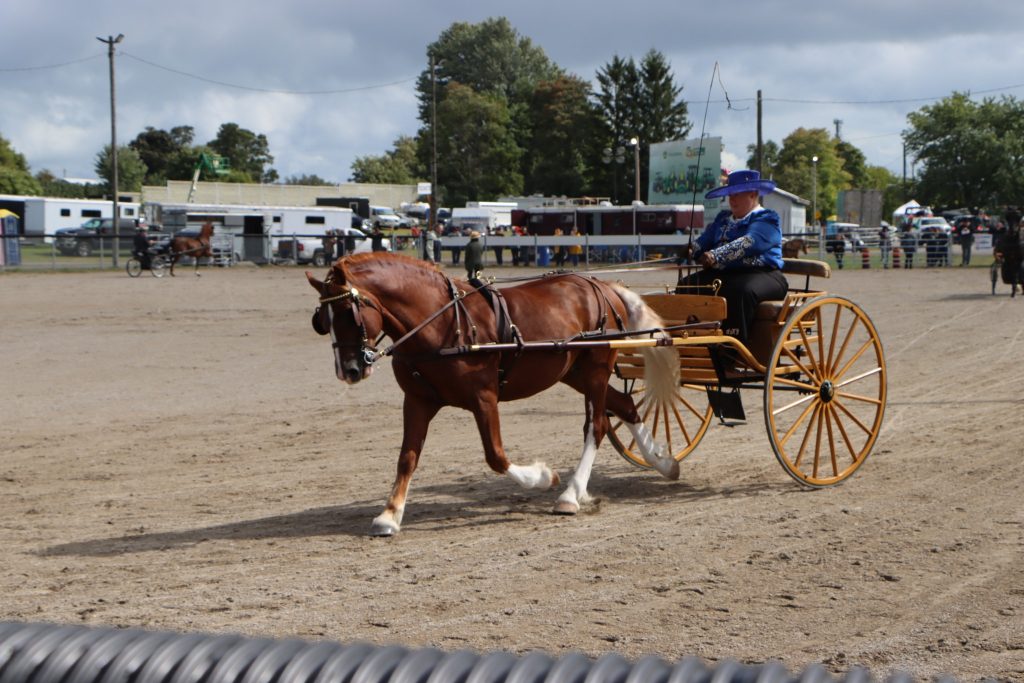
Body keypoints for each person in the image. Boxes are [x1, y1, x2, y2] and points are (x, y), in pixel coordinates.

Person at [675, 169, 787, 345]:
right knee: (686, 285)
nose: (731, 199)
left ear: (752, 194)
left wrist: (715, 255)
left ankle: (731, 348)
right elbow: (704, 240)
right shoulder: (723, 219)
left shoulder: (767, 219)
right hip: (726, 275)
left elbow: (750, 242)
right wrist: (691, 249)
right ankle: (688, 340)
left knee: (740, 291)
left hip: (764, 275)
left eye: (737, 194)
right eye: (730, 194)